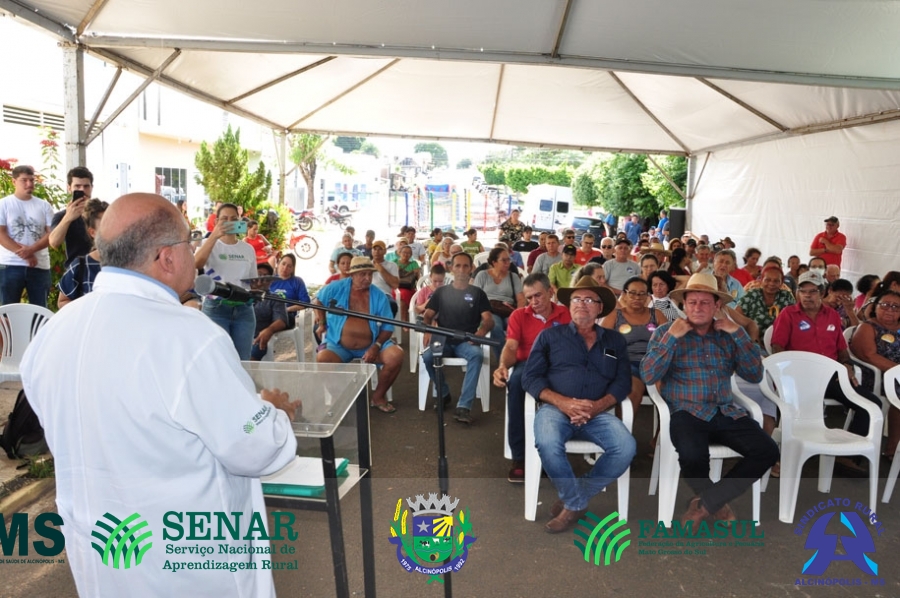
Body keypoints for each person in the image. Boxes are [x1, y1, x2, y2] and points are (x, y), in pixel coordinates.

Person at [21, 192, 300, 597]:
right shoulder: (189, 336)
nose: (194, 253)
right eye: (190, 242)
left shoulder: (54, 332)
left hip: (103, 560)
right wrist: (273, 411)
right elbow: (257, 449)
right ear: (168, 257)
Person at [641, 272, 779, 525]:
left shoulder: (727, 334)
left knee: (767, 450)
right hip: (686, 412)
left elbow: (754, 372)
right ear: (683, 304)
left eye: (705, 302)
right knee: (693, 456)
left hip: (725, 411)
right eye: (692, 302)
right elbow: (648, 374)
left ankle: (706, 503)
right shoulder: (665, 331)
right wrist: (672, 338)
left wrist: (739, 333)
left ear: (718, 305)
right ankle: (716, 503)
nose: (698, 308)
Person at [522, 276, 636, 533]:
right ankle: (575, 503)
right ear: (569, 305)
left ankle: (574, 498)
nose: (581, 304)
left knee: (626, 447)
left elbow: (622, 382)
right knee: (548, 442)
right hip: (556, 409)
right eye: (576, 299)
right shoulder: (550, 337)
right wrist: (562, 402)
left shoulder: (614, 341)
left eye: (588, 300)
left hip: (598, 412)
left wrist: (598, 406)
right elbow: (530, 378)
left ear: (599, 308)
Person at [770, 271, 882, 441]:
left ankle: (850, 455)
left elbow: (841, 348)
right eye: (803, 291)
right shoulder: (788, 314)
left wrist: (847, 364)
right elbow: (777, 346)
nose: (807, 296)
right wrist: (789, 373)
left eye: (813, 291)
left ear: (822, 293)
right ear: (798, 293)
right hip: (800, 378)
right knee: (793, 415)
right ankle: (789, 450)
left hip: (831, 377)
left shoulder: (832, 315)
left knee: (871, 404)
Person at [493, 273, 571, 483]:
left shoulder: (566, 313)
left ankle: (555, 453)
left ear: (550, 292)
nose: (533, 302)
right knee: (516, 383)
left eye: (538, 295)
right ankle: (520, 457)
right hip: (528, 364)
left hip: (559, 365)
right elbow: (511, 346)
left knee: (573, 386)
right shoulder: (519, 315)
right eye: (529, 298)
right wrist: (502, 366)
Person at [315, 257, 403, 413]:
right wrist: (322, 322)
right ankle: (341, 398)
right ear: (352, 275)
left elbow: (388, 326)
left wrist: (376, 346)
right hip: (339, 345)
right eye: (363, 274)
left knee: (396, 355)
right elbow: (318, 301)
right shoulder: (336, 288)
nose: (367, 278)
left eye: (370, 274)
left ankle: (378, 397)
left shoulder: (378, 295)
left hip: (371, 344)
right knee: (322, 360)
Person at [422, 252, 494, 424]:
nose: (461, 270)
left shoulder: (478, 294)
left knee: (477, 355)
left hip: (466, 341)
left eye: (465, 266)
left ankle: (464, 406)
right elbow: (428, 314)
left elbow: (489, 320)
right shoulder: (441, 292)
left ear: (471, 269)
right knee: (427, 356)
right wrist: (429, 329)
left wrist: (480, 333)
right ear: (451, 268)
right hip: (443, 340)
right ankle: (444, 392)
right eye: (458, 266)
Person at [194, 203, 257, 360]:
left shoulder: (247, 249)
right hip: (216, 307)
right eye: (224, 219)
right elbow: (195, 264)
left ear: (240, 221)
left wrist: (261, 284)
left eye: (233, 219)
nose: (229, 222)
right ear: (216, 222)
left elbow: (252, 281)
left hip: (244, 309)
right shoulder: (207, 244)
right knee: (218, 360)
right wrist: (214, 236)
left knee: (242, 361)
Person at [600, 276, 668, 413]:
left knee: (668, 393)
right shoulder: (615, 315)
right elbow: (602, 344)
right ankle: (622, 433)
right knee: (632, 392)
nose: (637, 297)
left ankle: (666, 433)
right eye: (632, 293)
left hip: (654, 363)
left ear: (648, 297)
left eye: (642, 294)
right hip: (627, 363)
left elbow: (669, 341)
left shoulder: (657, 315)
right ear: (624, 295)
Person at [850, 288, 900, 459]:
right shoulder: (868, 327)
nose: (890, 310)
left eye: (895, 307)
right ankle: (893, 448)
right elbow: (868, 356)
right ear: (875, 306)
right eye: (885, 305)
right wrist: (898, 372)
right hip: (875, 376)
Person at [0, 165, 54, 307]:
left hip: (39, 265)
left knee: (40, 309)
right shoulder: (4, 204)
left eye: (32, 180)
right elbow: (1, 234)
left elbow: (52, 233)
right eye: (24, 180)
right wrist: (25, 254)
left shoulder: (44, 206)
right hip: (10, 264)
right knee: (8, 309)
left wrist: (31, 250)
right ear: (14, 182)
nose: (29, 184)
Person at [473, 247, 525, 356]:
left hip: (507, 310)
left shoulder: (513, 276)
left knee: (515, 324)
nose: (508, 263)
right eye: (504, 260)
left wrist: (518, 314)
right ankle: (504, 361)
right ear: (494, 262)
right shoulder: (482, 275)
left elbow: (521, 298)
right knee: (495, 326)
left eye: (509, 260)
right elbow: (475, 297)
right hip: (489, 310)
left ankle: (520, 357)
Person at [57, 199, 108, 309]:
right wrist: (84, 310)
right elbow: (62, 301)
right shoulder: (81, 266)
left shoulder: (131, 263)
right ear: (92, 232)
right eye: (105, 227)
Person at [49, 166, 96, 266]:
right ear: (69, 188)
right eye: (77, 186)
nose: (82, 190)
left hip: (101, 267)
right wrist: (68, 218)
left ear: (92, 187)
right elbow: (54, 242)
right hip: (76, 269)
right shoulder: (62, 216)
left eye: (86, 186)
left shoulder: (102, 212)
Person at [735, 264, 796, 335]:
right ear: (761, 280)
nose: (771, 283)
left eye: (776, 281)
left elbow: (795, 320)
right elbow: (736, 318)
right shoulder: (751, 295)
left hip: (782, 340)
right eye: (767, 280)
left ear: (781, 283)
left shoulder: (786, 296)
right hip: (753, 340)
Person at [249, 263, 288, 361]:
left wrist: (269, 330)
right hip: (238, 335)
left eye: (265, 277)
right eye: (258, 275)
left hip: (258, 338)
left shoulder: (274, 298)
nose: (261, 280)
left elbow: (281, 320)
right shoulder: (241, 294)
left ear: (270, 282)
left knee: (255, 350)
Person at [268, 253, 310, 329]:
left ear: (293, 269)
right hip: (270, 312)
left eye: (289, 266)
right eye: (283, 264)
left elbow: (305, 303)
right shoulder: (271, 280)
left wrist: (287, 309)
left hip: (288, 315)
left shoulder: (297, 281)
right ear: (278, 264)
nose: (285, 268)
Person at [370, 240, 400, 315]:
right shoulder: (366, 264)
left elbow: (395, 285)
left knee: (392, 305)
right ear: (371, 251)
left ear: (385, 251)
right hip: (367, 293)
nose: (377, 251)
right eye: (375, 249)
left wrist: (381, 269)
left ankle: (386, 326)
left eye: (380, 249)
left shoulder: (392, 265)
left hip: (384, 294)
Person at [395, 244, 421, 320]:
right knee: (402, 295)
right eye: (404, 252)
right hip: (396, 287)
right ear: (400, 253)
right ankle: (404, 320)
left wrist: (416, 273)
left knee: (406, 294)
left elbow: (418, 279)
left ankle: (405, 320)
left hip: (410, 287)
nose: (406, 254)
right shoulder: (394, 262)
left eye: (408, 253)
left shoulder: (414, 264)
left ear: (411, 255)